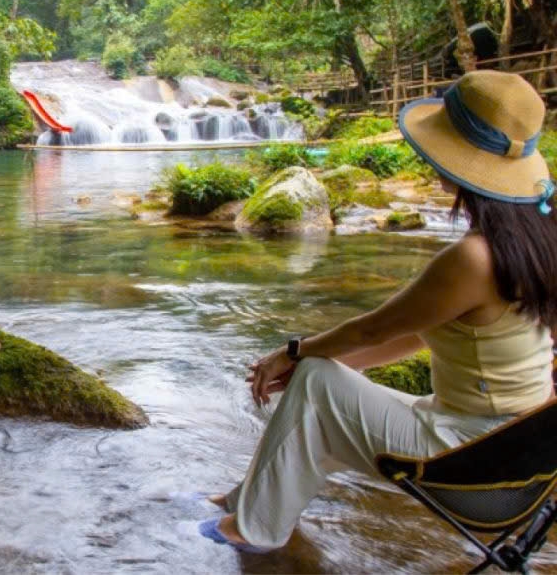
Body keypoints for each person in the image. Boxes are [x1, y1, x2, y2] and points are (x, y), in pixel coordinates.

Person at [199, 70, 557, 552]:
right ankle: (249, 500)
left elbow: (373, 330)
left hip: (470, 463)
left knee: (316, 382)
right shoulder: (538, 236)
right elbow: (416, 334)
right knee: (322, 380)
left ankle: (251, 530)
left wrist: (292, 353)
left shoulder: (474, 258)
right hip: (514, 457)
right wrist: (314, 360)